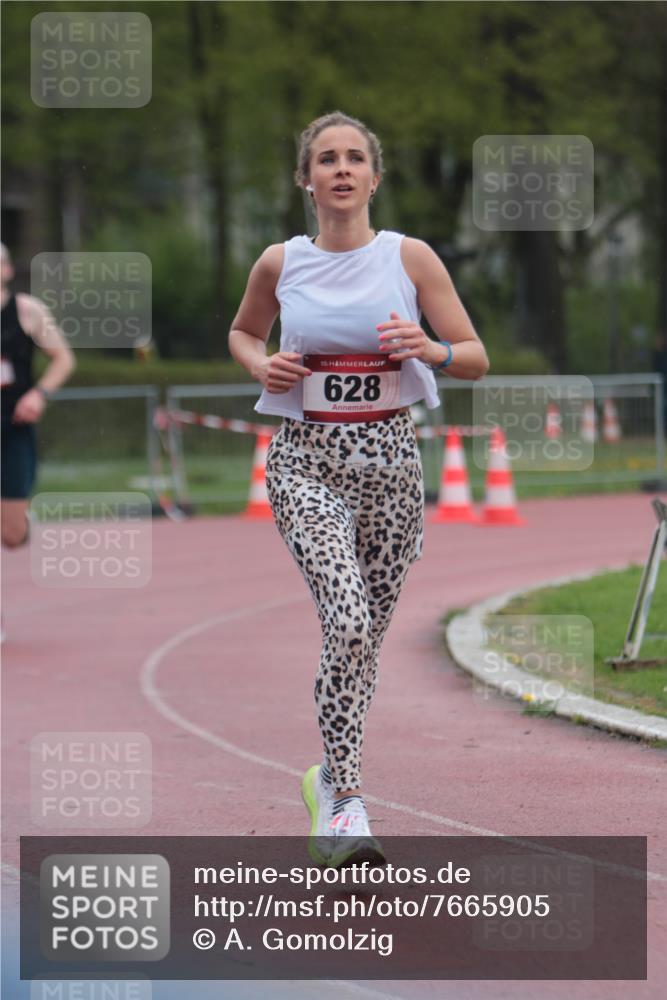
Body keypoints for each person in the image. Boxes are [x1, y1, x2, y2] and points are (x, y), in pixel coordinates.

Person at [228, 111, 489, 867]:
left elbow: (473, 355)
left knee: (363, 643)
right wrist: (260, 365)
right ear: (304, 180)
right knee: (344, 622)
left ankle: (326, 782)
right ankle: (346, 802)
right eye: (325, 160)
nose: (340, 170)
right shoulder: (280, 262)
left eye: (353, 159)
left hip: (391, 468)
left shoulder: (409, 259)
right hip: (306, 462)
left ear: (374, 177)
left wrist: (430, 348)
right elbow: (244, 332)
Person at [1, 242, 75, 637]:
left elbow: (63, 358)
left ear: (7, 271)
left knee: (11, 536)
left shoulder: (27, 311)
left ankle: (18, 522)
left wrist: (39, 393)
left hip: (13, 428)